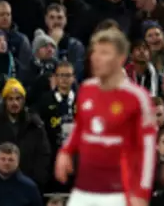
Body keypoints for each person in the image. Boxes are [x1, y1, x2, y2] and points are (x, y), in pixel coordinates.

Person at [53, 27, 157, 206]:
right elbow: (80, 127)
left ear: (121, 58)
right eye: (95, 52)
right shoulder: (86, 89)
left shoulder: (137, 98)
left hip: (118, 193)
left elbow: (147, 149)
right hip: (84, 189)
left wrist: (142, 192)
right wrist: (66, 151)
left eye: (105, 53)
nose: (96, 58)